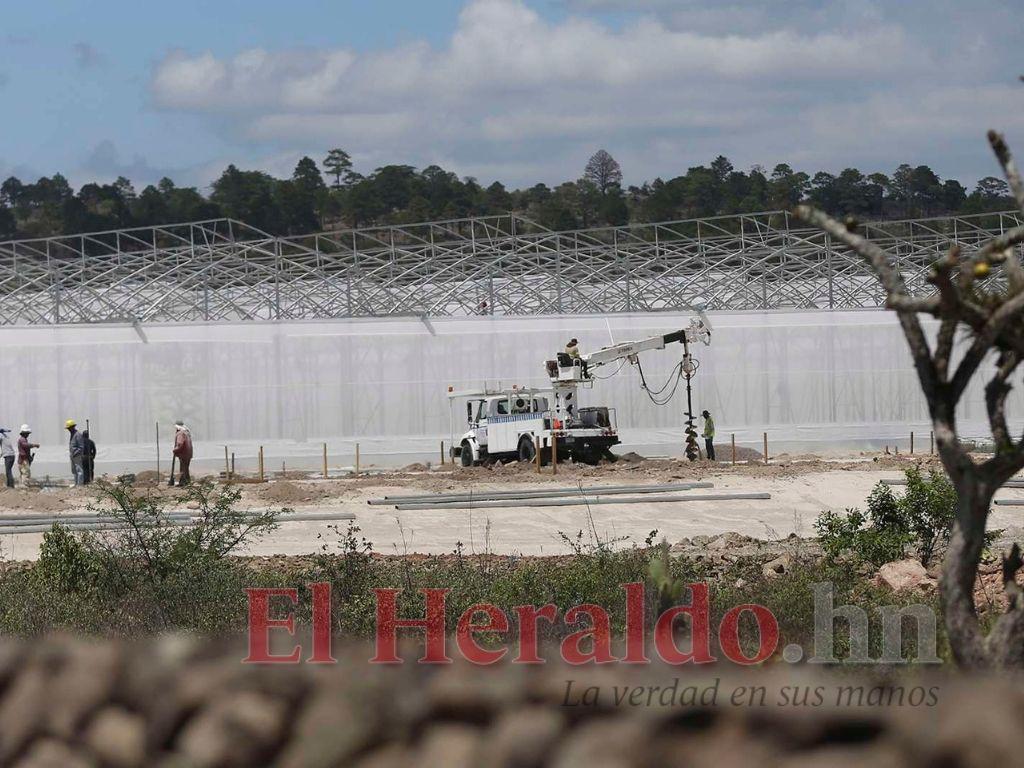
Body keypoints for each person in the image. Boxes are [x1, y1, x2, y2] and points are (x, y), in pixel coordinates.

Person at [173, 421, 193, 486]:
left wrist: (175, 450)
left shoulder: (180, 433)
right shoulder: (187, 432)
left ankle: (183, 482)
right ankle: (187, 481)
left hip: (183, 453)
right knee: (186, 468)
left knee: (183, 468)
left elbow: (180, 444)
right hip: (189, 453)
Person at [66, 419, 85, 486]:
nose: (68, 429)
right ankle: (76, 483)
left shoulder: (78, 435)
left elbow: (81, 447)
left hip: (77, 455)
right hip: (73, 455)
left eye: (69, 428)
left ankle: (80, 485)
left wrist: (75, 453)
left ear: (72, 427)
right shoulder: (72, 434)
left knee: (79, 470)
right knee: (74, 471)